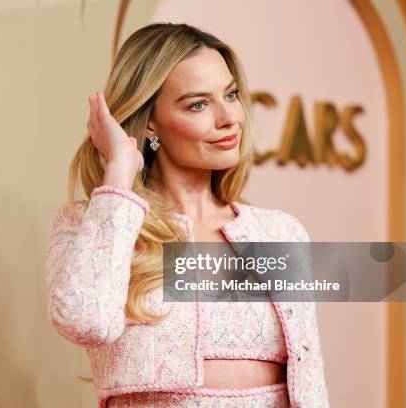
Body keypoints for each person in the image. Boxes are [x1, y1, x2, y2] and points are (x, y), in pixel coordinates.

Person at [44, 22, 329, 408]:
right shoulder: (95, 224)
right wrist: (120, 170)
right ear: (149, 123)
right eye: (198, 104)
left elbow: (309, 381)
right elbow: (86, 320)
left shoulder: (280, 231)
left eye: (230, 95)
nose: (229, 117)